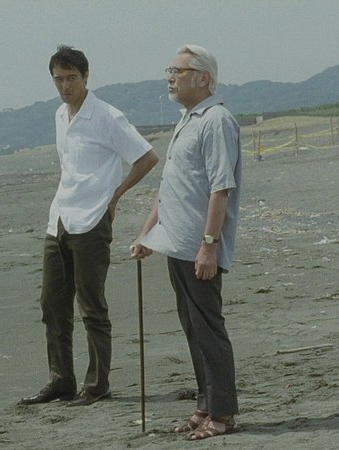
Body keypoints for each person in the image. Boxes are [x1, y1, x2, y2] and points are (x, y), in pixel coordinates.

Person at [19, 45, 159, 407]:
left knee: (92, 306)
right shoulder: (59, 115)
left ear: (85, 77)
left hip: (93, 219)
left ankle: (97, 385)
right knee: (52, 304)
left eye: (71, 78)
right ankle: (61, 380)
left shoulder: (108, 117)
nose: (65, 86)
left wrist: (115, 196)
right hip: (59, 219)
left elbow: (147, 157)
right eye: (58, 79)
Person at [130, 44, 241, 440]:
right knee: (193, 329)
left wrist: (209, 245)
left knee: (208, 329)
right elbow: (169, 188)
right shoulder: (186, 120)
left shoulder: (217, 120)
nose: (170, 77)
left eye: (178, 71)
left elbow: (220, 188)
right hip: (176, 244)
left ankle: (222, 414)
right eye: (170, 70)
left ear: (203, 78)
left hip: (198, 247)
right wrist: (148, 233)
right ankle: (205, 403)